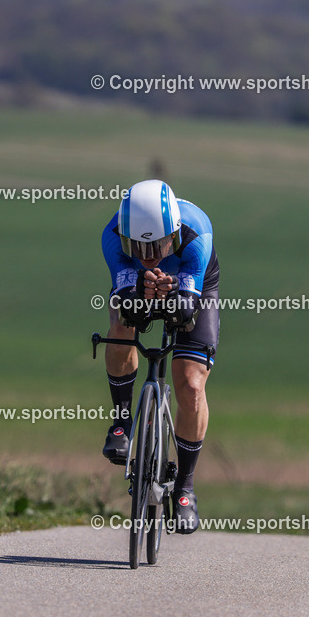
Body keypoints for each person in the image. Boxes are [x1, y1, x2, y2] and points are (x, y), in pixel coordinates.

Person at [100, 179, 219, 534]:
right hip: (139, 283)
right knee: (121, 320)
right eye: (136, 245)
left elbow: (185, 308)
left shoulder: (195, 233)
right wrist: (138, 290)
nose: (147, 254)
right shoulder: (112, 236)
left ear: (175, 231)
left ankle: (184, 488)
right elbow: (125, 298)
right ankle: (122, 421)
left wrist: (175, 296)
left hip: (192, 280)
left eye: (155, 245)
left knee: (190, 384)